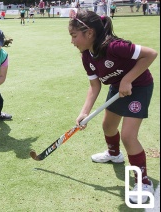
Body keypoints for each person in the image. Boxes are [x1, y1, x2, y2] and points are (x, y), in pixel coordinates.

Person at [68, 10, 157, 204]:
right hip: (118, 88)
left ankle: (143, 181)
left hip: (139, 86)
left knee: (128, 136)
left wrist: (127, 79)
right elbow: (94, 86)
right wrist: (84, 112)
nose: (72, 41)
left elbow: (151, 54)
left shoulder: (115, 46)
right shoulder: (87, 57)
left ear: (89, 33)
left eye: (74, 36)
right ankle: (114, 154)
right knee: (108, 126)